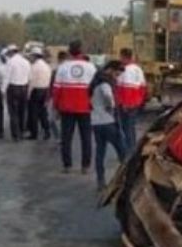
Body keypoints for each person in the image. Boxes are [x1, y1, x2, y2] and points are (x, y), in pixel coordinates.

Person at [52, 41, 96, 173]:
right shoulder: (91, 67)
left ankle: (67, 165)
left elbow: (57, 89)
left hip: (67, 107)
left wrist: (55, 106)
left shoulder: (63, 67)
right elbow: (96, 89)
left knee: (66, 138)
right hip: (85, 107)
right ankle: (85, 166)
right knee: (86, 137)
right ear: (82, 51)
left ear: (69, 51)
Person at [90, 60, 128, 190]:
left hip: (96, 122)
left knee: (100, 151)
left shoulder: (95, 80)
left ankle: (100, 181)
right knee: (122, 150)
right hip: (108, 122)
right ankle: (125, 179)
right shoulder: (105, 82)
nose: (116, 77)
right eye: (116, 74)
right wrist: (110, 106)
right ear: (111, 70)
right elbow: (107, 96)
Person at [114, 47, 147, 150]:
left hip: (126, 104)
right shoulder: (138, 69)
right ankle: (132, 148)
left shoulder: (126, 70)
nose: (120, 59)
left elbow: (127, 88)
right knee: (131, 127)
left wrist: (125, 104)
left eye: (120, 57)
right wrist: (140, 100)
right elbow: (143, 87)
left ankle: (129, 150)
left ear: (124, 57)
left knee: (126, 128)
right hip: (135, 103)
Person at [4, 45, 30, 141]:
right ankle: (22, 132)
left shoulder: (10, 62)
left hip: (13, 88)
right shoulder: (26, 62)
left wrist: (3, 90)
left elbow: (7, 77)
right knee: (22, 111)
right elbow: (29, 77)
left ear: (11, 52)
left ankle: (15, 135)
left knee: (13, 112)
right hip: (24, 88)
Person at [26, 48, 52, 140]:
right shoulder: (47, 66)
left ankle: (34, 134)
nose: (30, 58)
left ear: (35, 56)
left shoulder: (34, 67)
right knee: (43, 113)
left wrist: (28, 94)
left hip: (36, 91)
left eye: (31, 56)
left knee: (33, 113)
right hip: (45, 90)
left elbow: (31, 81)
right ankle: (47, 131)